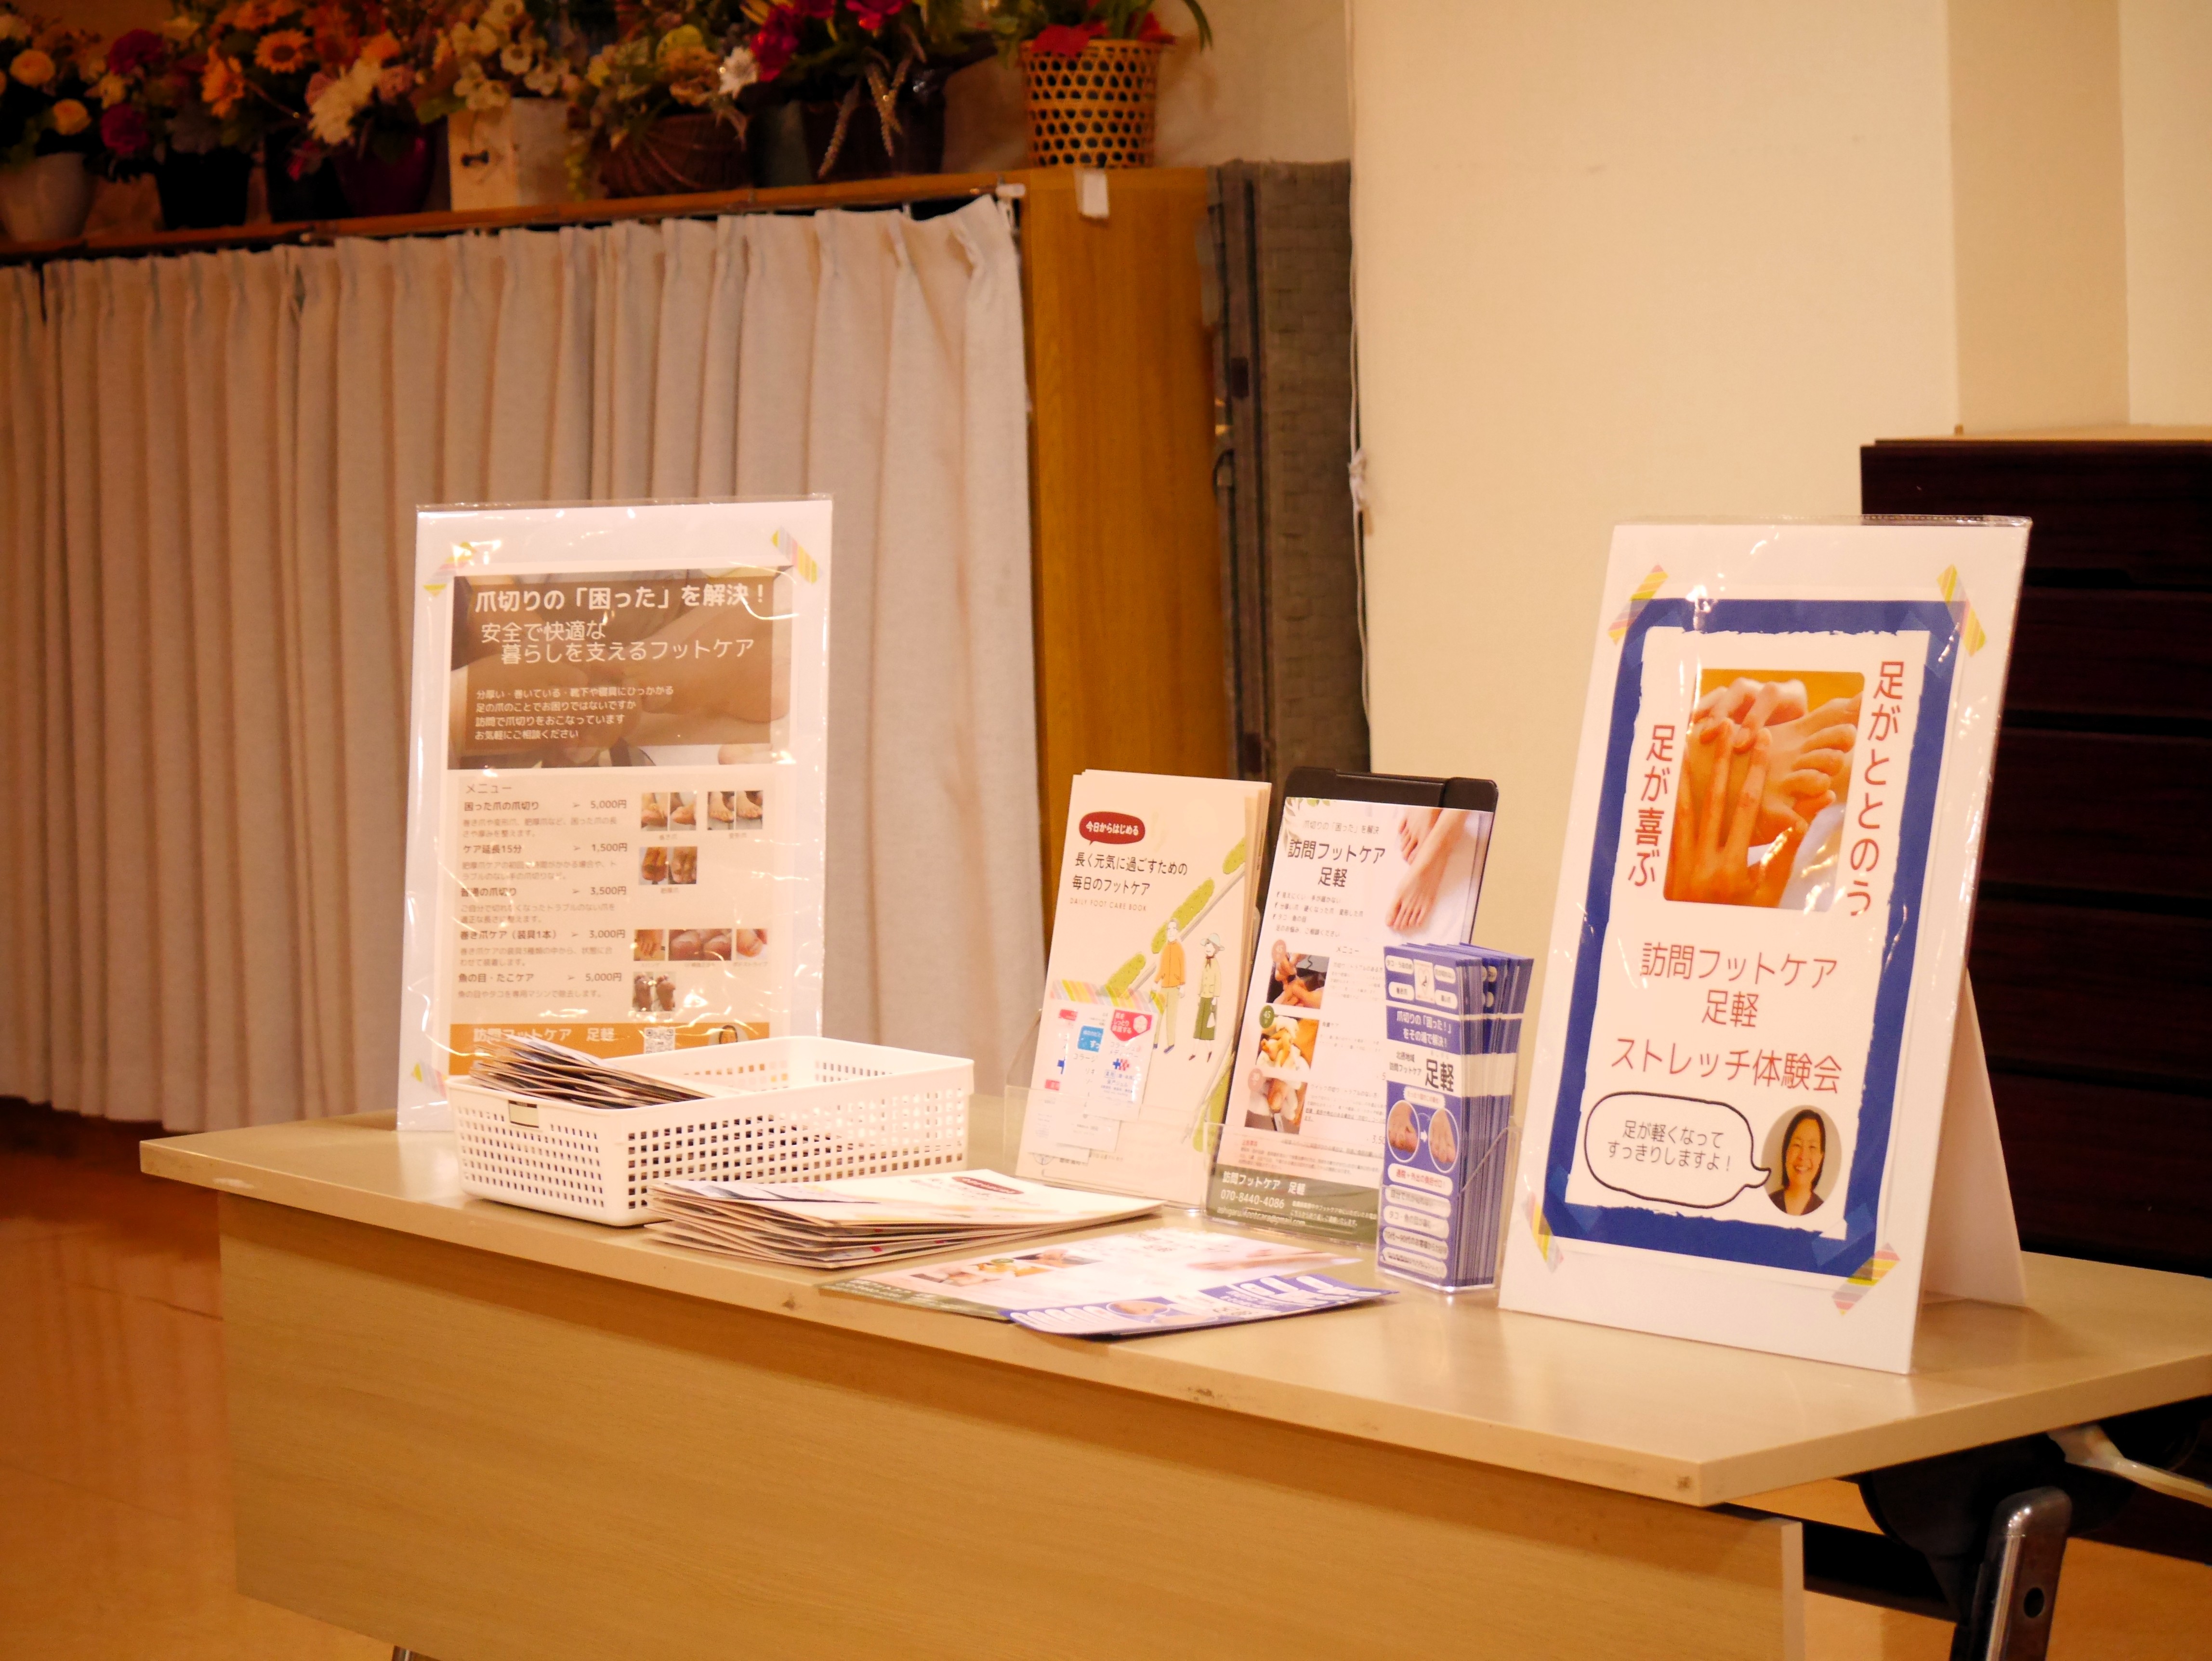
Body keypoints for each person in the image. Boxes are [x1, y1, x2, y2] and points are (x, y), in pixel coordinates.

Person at [1770, 1108, 1828, 1216]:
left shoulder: (1827, 1213)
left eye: (1812, 1147)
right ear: (1786, 1151)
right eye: (1797, 1145)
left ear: (1821, 1157)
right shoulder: (1766, 1203)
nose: (1803, 1156)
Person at [1157, 920, 1186, 1051]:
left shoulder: (1179, 949)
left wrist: (1183, 985)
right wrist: (1156, 981)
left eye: (1174, 929)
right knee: (1158, 1014)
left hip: (1175, 988)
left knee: (1171, 1017)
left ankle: (1171, 1043)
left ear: (1177, 931)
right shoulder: (1165, 949)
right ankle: (1154, 1041)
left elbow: (1182, 968)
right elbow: (1162, 968)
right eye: (1169, 929)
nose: (1171, 932)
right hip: (1164, 987)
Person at [1193, 933, 1222, 1041]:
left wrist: (1216, 997)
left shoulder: (1215, 963)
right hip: (1203, 995)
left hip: (1211, 996)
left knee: (1209, 1020)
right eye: (1207, 945)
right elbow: (1201, 978)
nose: (1208, 948)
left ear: (1216, 949)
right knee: (1200, 1019)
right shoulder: (1205, 962)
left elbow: (1218, 980)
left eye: (1212, 946)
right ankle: (1197, 1041)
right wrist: (1199, 994)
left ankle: (1208, 1044)